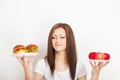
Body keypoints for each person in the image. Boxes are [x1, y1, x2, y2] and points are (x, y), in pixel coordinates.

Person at [17, 23, 109, 80]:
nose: (57, 40)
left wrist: (95, 75)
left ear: (69, 40)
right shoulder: (42, 64)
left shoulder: (79, 66)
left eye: (62, 37)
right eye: (54, 37)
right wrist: (27, 70)